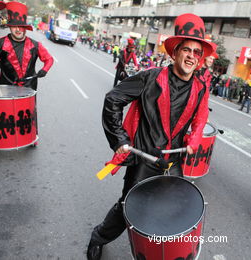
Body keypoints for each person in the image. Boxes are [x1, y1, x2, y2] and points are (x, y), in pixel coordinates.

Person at [86, 13, 213, 260]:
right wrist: (120, 139)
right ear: (174, 53)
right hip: (144, 158)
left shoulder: (201, 87)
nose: (191, 56)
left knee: (175, 208)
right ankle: (98, 237)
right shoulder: (150, 78)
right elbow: (112, 100)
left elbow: (200, 119)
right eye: (186, 50)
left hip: (172, 160)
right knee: (130, 208)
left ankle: (161, 252)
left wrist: (195, 139)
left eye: (196, 52)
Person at [0, 2, 53, 90]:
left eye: (21, 26)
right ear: (10, 27)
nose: (18, 29)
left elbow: (49, 59)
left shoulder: (35, 45)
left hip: (29, 88)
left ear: (25, 27)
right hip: (5, 88)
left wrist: (45, 69)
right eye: (14, 26)